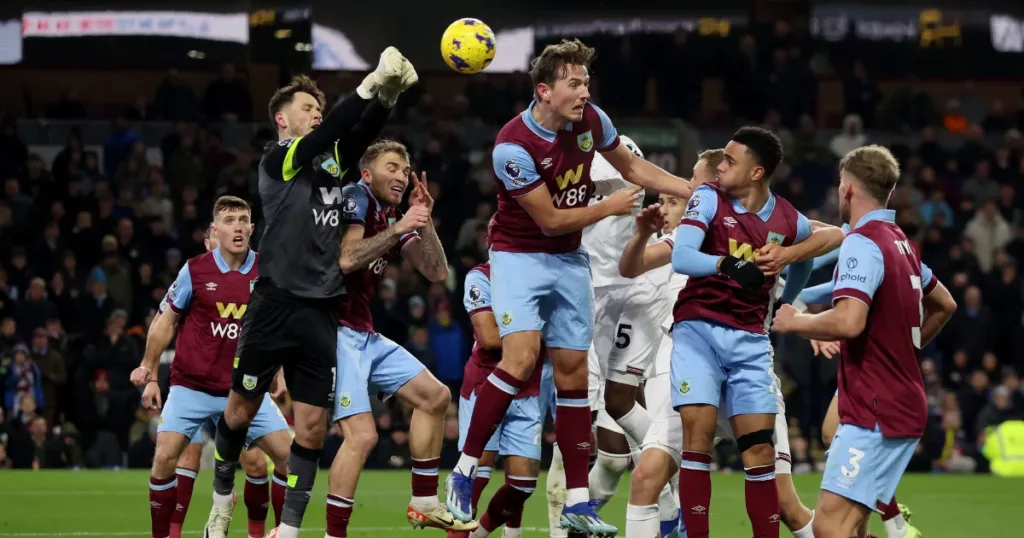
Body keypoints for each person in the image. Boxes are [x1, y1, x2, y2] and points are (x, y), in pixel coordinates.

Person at [447, 38, 694, 537]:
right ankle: (464, 471)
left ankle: (579, 503)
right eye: (574, 83)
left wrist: (693, 190)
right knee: (518, 359)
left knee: (574, 376)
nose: (585, 91)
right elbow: (552, 220)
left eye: (586, 82)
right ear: (544, 90)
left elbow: (632, 168)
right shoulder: (512, 146)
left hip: (568, 260)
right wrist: (608, 207)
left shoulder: (591, 121)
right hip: (520, 257)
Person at [203, 47, 418, 538]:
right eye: (307, 108)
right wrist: (369, 85)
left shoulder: (330, 168)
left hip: (322, 311)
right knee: (239, 412)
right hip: (275, 304)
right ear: (283, 118)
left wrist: (385, 98)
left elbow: (356, 134)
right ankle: (220, 501)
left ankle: (293, 531)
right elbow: (332, 130)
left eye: (319, 108)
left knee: (315, 430)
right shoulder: (278, 159)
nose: (316, 115)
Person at [772, 145, 958, 538]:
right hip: (890, 399)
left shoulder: (863, 242)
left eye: (841, 185)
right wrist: (903, 350)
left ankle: (896, 527)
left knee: (829, 528)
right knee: (848, 514)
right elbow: (945, 303)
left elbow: (849, 321)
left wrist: (795, 322)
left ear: (848, 190)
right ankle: (895, 526)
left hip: (879, 411)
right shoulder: (901, 243)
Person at [669, 126, 845, 538]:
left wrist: (789, 277)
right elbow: (681, 256)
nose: (720, 166)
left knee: (761, 451)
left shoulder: (786, 217)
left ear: (756, 172)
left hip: (749, 339)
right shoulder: (708, 198)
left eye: (730, 160)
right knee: (698, 439)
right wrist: (725, 264)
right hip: (698, 330)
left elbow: (835, 236)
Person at [324, 140, 470, 538]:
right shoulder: (355, 195)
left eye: (406, 170)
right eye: (393, 168)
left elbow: (436, 272)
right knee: (363, 436)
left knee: (436, 397)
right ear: (368, 173)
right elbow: (347, 257)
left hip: (364, 331)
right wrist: (401, 225)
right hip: (334, 330)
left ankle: (424, 502)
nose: (403, 176)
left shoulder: (390, 214)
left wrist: (424, 223)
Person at [130, 196, 292, 538]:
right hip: (192, 386)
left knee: (289, 458)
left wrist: (277, 371)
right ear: (215, 231)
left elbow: (274, 327)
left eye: (243, 219)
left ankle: (279, 532)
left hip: (245, 389)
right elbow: (165, 321)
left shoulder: (268, 271)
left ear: (252, 228)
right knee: (163, 459)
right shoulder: (195, 269)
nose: (237, 226)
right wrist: (150, 371)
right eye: (229, 220)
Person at [615, 150, 719, 538]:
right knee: (650, 471)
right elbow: (631, 268)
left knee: (781, 492)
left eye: (691, 184)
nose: (686, 189)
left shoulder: (755, 224)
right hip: (677, 356)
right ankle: (670, 519)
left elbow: (817, 232)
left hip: (738, 364)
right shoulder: (682, 236)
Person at [454, 253, 546, 538]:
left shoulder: (541, 276)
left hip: (527, 390)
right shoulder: (480, 277)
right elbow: (490, 337)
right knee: (474, 479)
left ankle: (479, 533)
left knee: (523, 484)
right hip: (485, 384)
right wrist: (540, 329)